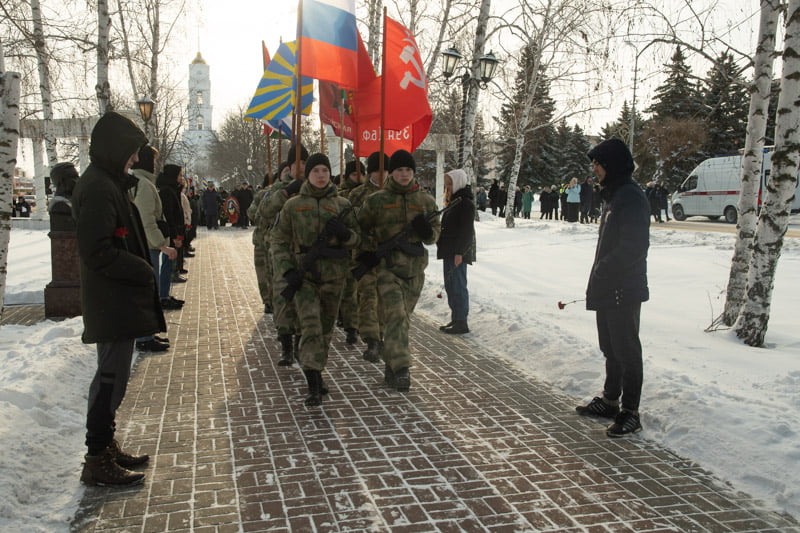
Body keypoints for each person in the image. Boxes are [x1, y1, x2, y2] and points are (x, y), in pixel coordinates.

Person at [72, 111, 166, 486]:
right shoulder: (97, 186)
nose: (134, 159)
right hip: (111, 300)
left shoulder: (109, 182)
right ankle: (97, 458)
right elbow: (97, 250)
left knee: (116, 377)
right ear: (115, 149)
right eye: (131, 152)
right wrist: (142, 269)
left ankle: (105, 445)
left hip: (116, 300)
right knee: (111, 379)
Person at [271, 153, 360, 406]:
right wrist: (287, 270)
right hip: (305, 277)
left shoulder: (343, 205)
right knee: (310, 326)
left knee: (325, 330)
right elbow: (278, 240)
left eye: (324, 170)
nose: (320, 175)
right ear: (307, 175)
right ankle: (313, 381)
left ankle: (316, 371)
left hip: (334, 275)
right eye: (315, 171)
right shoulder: (293, 205)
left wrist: (345, 234)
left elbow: (360, 239)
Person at [577, 138, 650, 438]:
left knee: (626, 351)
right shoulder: (614, 195)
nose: (593, 169)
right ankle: (610, 400)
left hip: (624, 288)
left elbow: (635, 246)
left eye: (597, 164)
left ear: (611, 165)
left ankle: (630, 412)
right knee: (610, 347)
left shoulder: (631, 197)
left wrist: (606, 269)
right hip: (608, 286)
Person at [356, 149, 441, 392]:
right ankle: (402, 369)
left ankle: (391, 365)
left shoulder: (424, 200)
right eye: (399, 170)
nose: (404, 174)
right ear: (391, 173)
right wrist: (369, 253)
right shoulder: (377, 200)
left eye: (408, 170)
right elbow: (361, 230)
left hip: (414, 270)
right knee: (396, 316)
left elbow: (435, 232)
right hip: (386, 269)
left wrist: (427, 232)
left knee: (403, 320)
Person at [262, 144, 308, 366]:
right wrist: (286, 193)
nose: (302, 167)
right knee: (283, 299)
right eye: (298, 162)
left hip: (307, 253)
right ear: (290, 166)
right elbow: (261, 212)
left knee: (305, 301)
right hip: (282, 253)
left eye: (305, 163)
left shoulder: (315, 186)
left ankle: (301, 343)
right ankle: (286, 345)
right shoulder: (277, 188)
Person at [130, 144, 178, 352]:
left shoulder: (143, 183)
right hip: (149, 245)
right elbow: (146, 219)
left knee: (150, 291)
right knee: (149, 291)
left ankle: (147, 334)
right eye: (154, 160)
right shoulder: (144, 185)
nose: (156, 165)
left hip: (148, 244)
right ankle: (144, 337)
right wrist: (162, 244)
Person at [348, 151, 389, 362]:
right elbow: (350, 224)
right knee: (367, 299)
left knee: (384, 300)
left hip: (389, 258)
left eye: (385, 170)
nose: (382, 175)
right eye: (377, 171)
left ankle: (381, 335)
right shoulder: (357, 194)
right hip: (365, 256)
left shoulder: (395, 194)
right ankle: (372, 340)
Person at [436, 169, 475, 334]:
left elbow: (466, 231)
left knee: (458, 286)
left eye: (450, 183)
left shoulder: (465, 203)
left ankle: (461, 321)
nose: (448, 187)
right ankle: (456, 318)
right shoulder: (455, 200)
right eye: (447, 184)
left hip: (457, 252)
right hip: (450, 250)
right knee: (451, 286)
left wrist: (459, 252)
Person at [337, 159, 366, 345]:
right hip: (345, 249)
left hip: (364, 248)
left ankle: (359, 325)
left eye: (360, 174)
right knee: (348, 292)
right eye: (354, 174)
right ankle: (350, 327)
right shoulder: (342, 195)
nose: (358, 177)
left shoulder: (368, 193)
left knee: (362, 292)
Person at [156, 164, 187, 288]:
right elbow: (169, 215)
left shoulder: (172, 190)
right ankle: (164, 293)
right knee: (167, 262)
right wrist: (174, 235)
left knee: (170, 261)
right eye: (179, 175)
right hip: (170, 231)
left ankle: (166, 291)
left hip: (174, 230)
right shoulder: (167, 191)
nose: (181, 178)